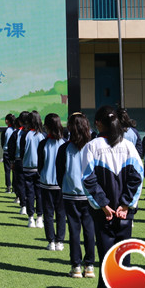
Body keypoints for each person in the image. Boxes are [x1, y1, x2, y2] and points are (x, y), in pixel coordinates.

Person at [82, 106, 143, 288]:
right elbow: (137, 177)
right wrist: (125, 204)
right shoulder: (129, 146)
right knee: (123, 254)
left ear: (98, 123)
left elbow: (87, 179)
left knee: (106, 254)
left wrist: (104, 205)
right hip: (124, 212)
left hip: (103, 212)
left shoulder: (92, 147)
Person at [56, 112, 95, 279]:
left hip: (70, 194)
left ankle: (76, 266)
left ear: (70, 128)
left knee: (74, 231)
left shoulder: (64, 148)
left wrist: (65, 186)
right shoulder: (93, 146)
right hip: (90, 195)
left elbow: (59, 173)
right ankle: (90, 266)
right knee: (89, 230)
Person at [37, 113, 66, 249]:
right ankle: (60, 241)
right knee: (61, 213)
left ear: (47, 126)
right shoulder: (65, 143)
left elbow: (40, 164)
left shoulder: (43, 143)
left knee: (48, 213)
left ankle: (51, 241)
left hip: (46, 183)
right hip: (61, 185)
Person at [20, 111, 45, 226]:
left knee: (29, 193)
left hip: (27, 167)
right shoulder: (42, 135)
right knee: (39, 194)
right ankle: (39, 217)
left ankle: (31, 218)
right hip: (39, 168)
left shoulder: (25, 135)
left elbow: (21, 152)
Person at [2, 114, 16, 193]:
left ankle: (8, 187)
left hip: (7, 152)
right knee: (14, 170)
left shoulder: (7, 130)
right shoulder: (15, 130)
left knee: (7, 170)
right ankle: (14, 187)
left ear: (7, 121)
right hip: (14, 152)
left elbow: (3, 142)